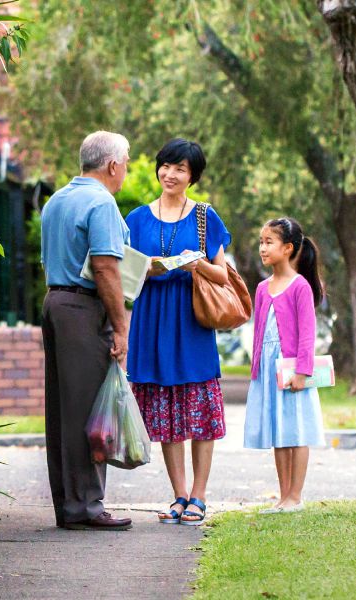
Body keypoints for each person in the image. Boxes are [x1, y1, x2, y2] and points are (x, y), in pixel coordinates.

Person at [125, 138, 231, 526]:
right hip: (152, 320)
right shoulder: (135, 219)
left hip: (192, 321)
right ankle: (179, 494)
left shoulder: (205, 217)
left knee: (201, 410)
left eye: (181, 169)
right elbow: (122, 273)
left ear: (193, 177)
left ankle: (200, 497)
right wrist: (146, 269)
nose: (171, 174)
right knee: (168, 412)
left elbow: (223, 275)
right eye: (166, 165)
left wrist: (193, 265)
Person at [39, 131, 134, 531]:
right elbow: (106, 267)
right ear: (112, 165)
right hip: (82, 308)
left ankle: (69, 504)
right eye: (126, 163)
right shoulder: (102, 202)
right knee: (89, 410)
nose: (125, 171)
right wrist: (120, 325)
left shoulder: (56, 200)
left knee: (63, 408)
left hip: (55, 303)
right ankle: (87, 507)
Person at [243, 217, 326, 513]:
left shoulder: (299, 286)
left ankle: (296, 496)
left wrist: (303, 372)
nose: (263, 248)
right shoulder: (263, 288)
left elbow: (307, 332)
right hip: (269, 368)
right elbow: (259, 331)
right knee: (279, 432)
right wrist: (257, 369)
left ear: (288, 248)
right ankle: (283, 497)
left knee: (296, 431)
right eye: (261, 242)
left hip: (293, 369)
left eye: (269, 242)